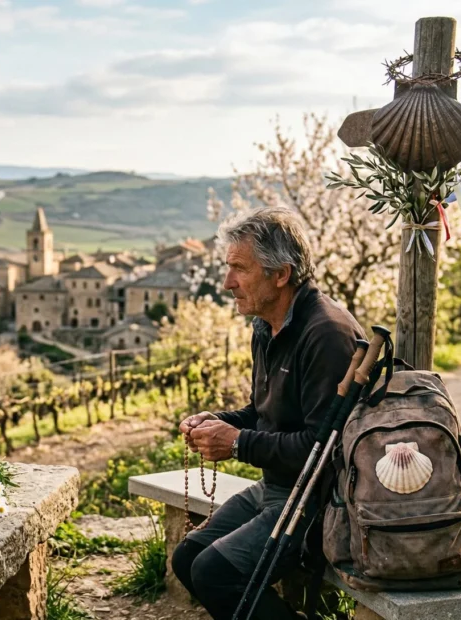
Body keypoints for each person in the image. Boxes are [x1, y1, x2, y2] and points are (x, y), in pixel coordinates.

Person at [171, 206, 365, 620]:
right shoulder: (267, 326)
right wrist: (218, 422)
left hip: (319, 502)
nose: (227, 283)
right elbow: (266, 414)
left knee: (213, 573)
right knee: (187, 557)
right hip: (278, 487)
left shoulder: (326, 335)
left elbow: (323, 450)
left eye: (240, 269)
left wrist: (237, 444)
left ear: (281, 274)